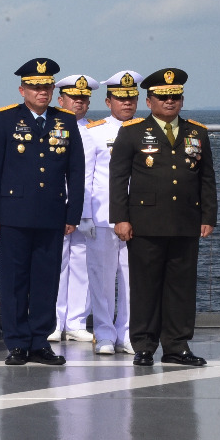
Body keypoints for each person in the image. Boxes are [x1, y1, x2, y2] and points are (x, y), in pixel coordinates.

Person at [0, 57, 85, 366]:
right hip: (14, 214)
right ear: (22, 90)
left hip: (52, 214)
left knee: (46, 280)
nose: (42, 92)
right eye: (35, 87)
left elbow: (76, 171)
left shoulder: (65, 120)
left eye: (47, 87)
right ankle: (16, 343)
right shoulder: (6, 119)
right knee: (15, 280)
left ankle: (40, 341)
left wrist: (72, 214)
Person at [109, 68, 216, 367]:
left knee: (181, 288)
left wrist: (208, 216)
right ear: (149, 101)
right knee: (145, 287)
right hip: (146, 223)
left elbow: (207, 178)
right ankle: (144, 346)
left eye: (175, 96)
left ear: (181, 100)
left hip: (185, 221)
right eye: (163, 97)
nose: (170, 101)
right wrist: (120, 218)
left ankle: (177, 346)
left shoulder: (197, 133)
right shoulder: (132, 132)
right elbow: (118, 179)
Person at [84, 70, 143, 355]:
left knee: (134, 279)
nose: (127, 103)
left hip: (139, 216)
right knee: (102, 278)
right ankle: (105, 334)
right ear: (108, 102)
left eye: (131, 98)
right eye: (121, 99)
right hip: (102, 214)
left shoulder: (147, 131)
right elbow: (85, 176)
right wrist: (84, 215)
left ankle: (129, 333)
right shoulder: (93, 132)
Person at [49, 74, 101, 343]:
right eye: (73, 98)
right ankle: (53, 322)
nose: (79, 102)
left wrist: (88, 213)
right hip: (56, 205)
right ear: (61, 100)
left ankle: (76, 321)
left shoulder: (94, 132)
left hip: (85, 208)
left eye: (83, 98)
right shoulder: (51, 126)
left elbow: (94, 176)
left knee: (82, 267)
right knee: (55, 266)